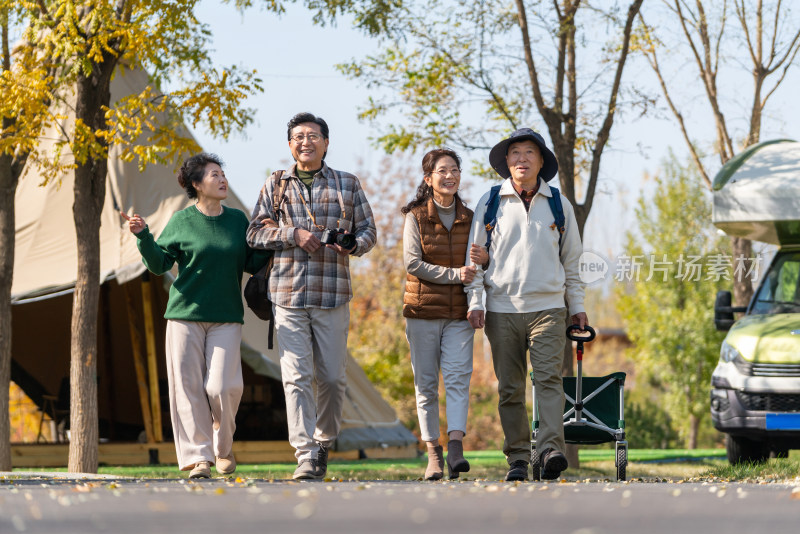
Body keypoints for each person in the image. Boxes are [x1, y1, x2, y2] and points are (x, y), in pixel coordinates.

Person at [122, 153, 270, 479]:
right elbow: (160, 264)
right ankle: (199, 458)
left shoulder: (236, 220)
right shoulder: (181, 221)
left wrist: (276, 240)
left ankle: (222, 444)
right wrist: (144, 236)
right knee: (187, 388)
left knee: (224, 387)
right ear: (196, 184)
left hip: (226, 316)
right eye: (214, 175)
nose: (222, 180)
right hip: (184, 315)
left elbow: (253, 261)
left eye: (222, 174)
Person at [246, 112, 377, 480]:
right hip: (286, 294)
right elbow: (255, 233)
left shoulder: (346, 184)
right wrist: (293, 235)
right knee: (296, 377)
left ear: (326, 142)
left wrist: (353, 246)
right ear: (290, 145)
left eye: (313, 136)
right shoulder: (275, 184)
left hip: (333, 293)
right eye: (299, 136)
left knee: (333, 379)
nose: (306, 142)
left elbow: (368, 231)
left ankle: (323, 439)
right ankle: (305, 453)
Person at [464, 128, 588, 482]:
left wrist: (576, 305)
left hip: (549, 307)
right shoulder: (490, 202)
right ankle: (518, 456)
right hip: (501, 309)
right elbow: (473, 260)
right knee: (510, 388)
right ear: (506, 162)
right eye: (515, 152)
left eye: (529, 152)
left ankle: (550, 450)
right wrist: (476, 300)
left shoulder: (559, 204)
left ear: (541, 161)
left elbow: (572, 261)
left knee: (548, 379)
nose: (521, 158)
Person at [401, 148, 489, 480]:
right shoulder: (415, 217)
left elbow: (478, 262)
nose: (449, 175)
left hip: (458, 315)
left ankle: (455, 449)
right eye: (442, 171)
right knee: (425, 385)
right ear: (429, 179)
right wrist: (455, 274)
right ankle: (433, 455)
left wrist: (485, 260)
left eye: (455, 170)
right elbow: (412, 263)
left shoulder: (470, 217)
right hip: (421, 311)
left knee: (457, 380)